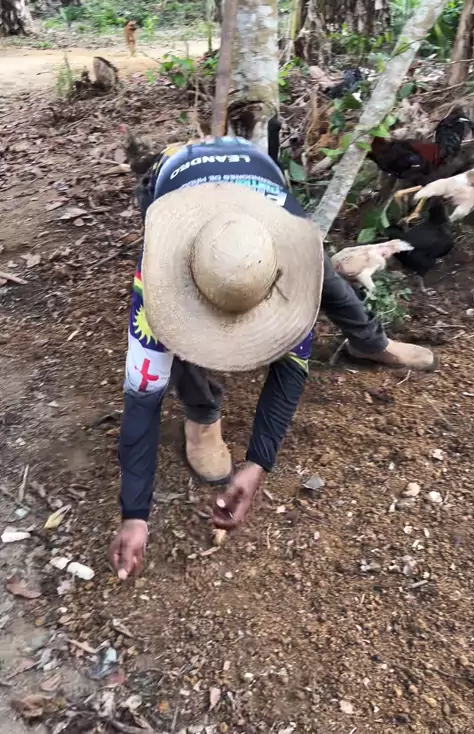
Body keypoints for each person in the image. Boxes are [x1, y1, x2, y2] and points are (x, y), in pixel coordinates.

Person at [108, 136, 435, 579]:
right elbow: (142, 401)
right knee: (174, 341)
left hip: (260, 177)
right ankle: (202, 414)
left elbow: (290, 371)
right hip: (173, 175)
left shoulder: (278, 261)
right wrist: (135, 514)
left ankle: (370, 342)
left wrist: (258, 462)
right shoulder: (155, 284)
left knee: (321, 274)